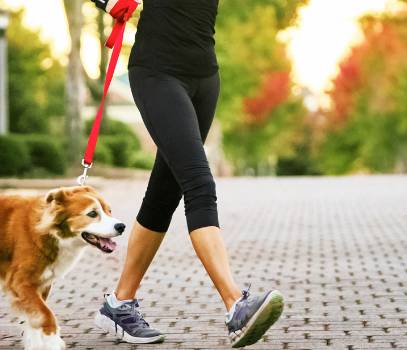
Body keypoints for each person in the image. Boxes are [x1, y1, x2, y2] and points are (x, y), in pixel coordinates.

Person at [87, 0, 285, 347]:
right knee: (199, 183)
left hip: (205, 76)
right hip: (158, 73)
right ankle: (235, 304)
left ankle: (119, 304)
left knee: (165, 194)